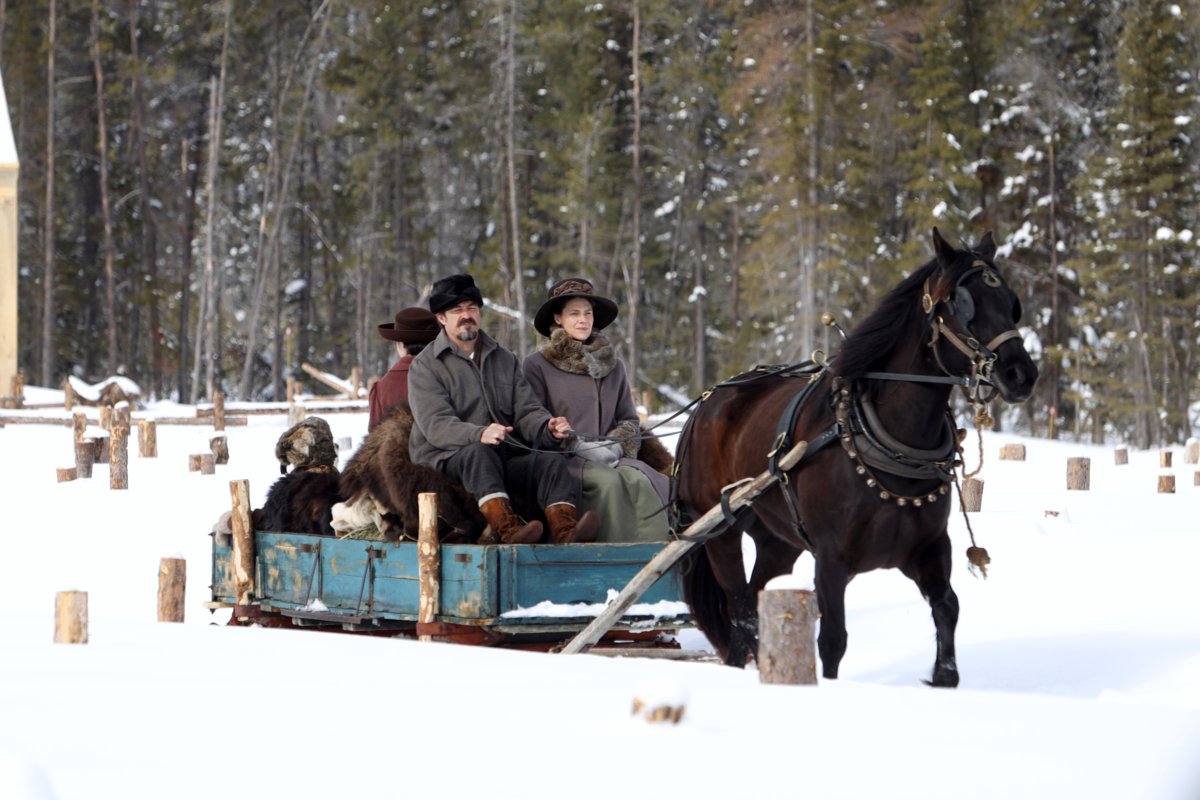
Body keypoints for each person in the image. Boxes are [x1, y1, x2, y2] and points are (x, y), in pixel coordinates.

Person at [407, 273, 600, 545]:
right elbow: (436, 425)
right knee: (479, 454)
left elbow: (527, 410)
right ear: (441, 318)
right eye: (457, 310)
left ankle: (566, 534)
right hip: (448, 457)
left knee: (552, 462)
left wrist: (548, 427)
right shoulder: (426, 366)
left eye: (472, 308)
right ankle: (510, 532)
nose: (466, 315)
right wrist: (479, 434)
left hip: (503, 454)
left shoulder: (504, 358)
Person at [522, 278, 670, 543]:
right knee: (609, 484)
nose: (583, 320)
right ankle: (608, 561)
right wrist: (574, 442)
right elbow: (534, 418)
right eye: (574, 314)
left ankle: (655, 559)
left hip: (612, 454)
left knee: (644, 482)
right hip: (565, 460)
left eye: (587, 313)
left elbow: (628, 419)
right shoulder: (537, 365)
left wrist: (613, 447)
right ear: (558, 318)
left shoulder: (614, 366)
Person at [368, 307, 440, 431]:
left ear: (400, 344)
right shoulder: (450, 375)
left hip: (396, 449)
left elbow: (374, 437)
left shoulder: (381, 388)